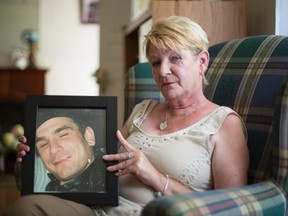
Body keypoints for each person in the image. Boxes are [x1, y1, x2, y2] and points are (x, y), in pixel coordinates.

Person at [3, 16, 249, 216]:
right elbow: (103, 167)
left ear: (202, 61)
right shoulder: (142, 111)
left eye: (175, 58)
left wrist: (152, 175)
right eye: (155, 62)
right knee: (26, 208)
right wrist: (35, 160)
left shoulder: (224, 124)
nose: (163, 71)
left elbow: (230, 208)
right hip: (100, 210)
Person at [31, 110, 105, 192]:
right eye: (43, 144)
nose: (53, 150)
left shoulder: (111, 179)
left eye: (63, 135)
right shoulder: (38, 181)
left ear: (88, 136)